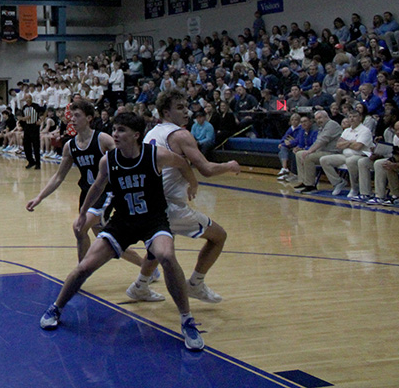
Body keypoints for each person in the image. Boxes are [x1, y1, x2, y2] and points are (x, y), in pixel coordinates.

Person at [38, 112, 205, 352]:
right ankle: (56, 307)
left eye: (121, 130)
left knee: (167, 257)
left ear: (136, 135)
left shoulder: (156, 155)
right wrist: (83, 213)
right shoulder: (108, 161)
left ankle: (187, 320)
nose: (115, 134)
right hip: (122, 222)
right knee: (85, 266)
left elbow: (183, 163)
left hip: (153, 220)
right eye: (114, 129)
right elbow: (97, 186)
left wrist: (193, 182)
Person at [26, 99, 159, 294]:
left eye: (77, 115)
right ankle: (147, 267)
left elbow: (125, 158)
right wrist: (39, 197)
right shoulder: (70, 146)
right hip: (87, 194)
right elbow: (58, 176)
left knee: (79, 227)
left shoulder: (103, 139)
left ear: (89, 118)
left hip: (107, 193)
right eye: (70, 115)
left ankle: (81, 273)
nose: (72, 119)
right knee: (107, 240)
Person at [127, 90, 240, 304]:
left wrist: (191, 181)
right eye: (179, 107)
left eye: (186, 105)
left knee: (160, 244)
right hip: (170, 205)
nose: (186, 111)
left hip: (148, 203)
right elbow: (205, 168)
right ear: (166, 112)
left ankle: (139, 286)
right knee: (218, 237)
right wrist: (229, 166)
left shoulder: (151, 133)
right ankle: (196, 284)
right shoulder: (180, 134)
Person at [319, 109, 374, 197]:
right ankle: (338, 182)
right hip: (345, 155)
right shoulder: (346, 131)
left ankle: (354, 188)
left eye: (354, 117)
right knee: (324, 160)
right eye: (350, 117)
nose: (352, 119)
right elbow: (338, 145)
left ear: (360, 118)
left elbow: (358, 147)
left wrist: (346, 143)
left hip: (359, 155)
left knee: (350, 161)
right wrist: (350, 142)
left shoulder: (365, 130)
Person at [293, 110, 344, 193]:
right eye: (316, 119)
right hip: (322, 152)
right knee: (299, 154)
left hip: (332, 152)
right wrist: (306, 150)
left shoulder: (332, 125)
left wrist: (309, 151)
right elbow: (317, 142)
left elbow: (322, 140)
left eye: (320, 118)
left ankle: (310, 185)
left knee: (308, 157)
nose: (318, 120)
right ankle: (304, 181)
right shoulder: (322, 127)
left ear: (326, 117)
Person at [20, 95, 42, 170]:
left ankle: (38, 163)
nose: (28, 99)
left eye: (29, 98)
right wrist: (24, 119)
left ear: (31, 99)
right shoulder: (24, 107)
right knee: (26, 146)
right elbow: (21, 118)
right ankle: (31, 161)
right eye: (26, 98)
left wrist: (40, 120)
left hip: (34, 127)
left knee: (36, 146)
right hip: (27, 128)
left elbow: (44, 112)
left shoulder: (36, 106)